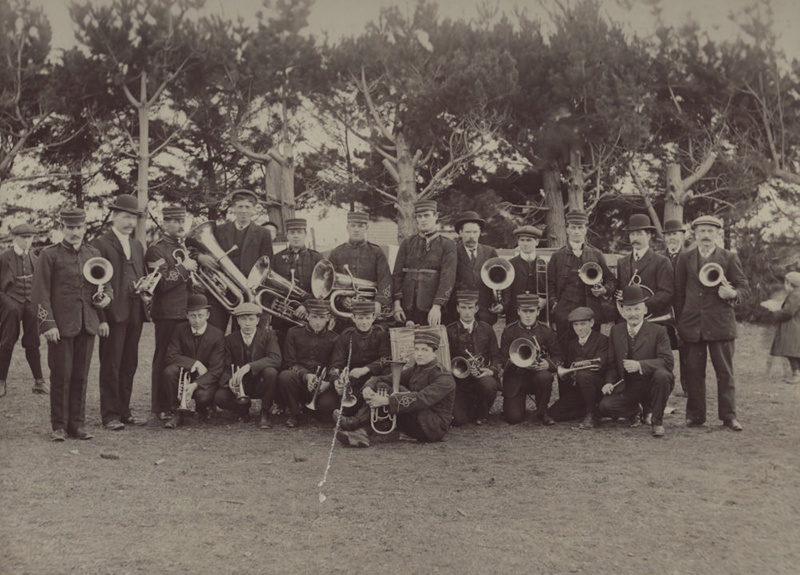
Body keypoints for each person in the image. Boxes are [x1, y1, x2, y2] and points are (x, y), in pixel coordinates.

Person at [32, 208, 112, 441]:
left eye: (79, 228)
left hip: (87, 324)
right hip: (61, 327)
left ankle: (76, 425)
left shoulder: (93, 253)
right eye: (70, 228)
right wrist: (48, 324)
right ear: (62, 228)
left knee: (80, 376)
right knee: (61, 376)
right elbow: (40, 293)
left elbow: (106, 285)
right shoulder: (50, 255)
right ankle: (58, 426)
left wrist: (107, 297)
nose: (75, 232)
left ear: (85, 228)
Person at [674, 215, 749, 431]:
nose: (705, 236)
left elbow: (744, 287)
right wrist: (681, 322)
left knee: (724, 373)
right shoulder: (684, 258)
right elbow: (679, 294)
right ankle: (695, 416)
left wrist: (732, 292)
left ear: (717, 234)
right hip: (692, 325)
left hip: (720, 325)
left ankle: (728, 416)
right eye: (701, 231)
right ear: (695, 234)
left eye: (710, 231)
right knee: (693, 372)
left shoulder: (729, 257)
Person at [339, 330, 456, 447]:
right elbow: (381, 379)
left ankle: (356, 423)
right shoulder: (416, 369)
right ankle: (361, 433)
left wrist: (386, 401)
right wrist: (367, 387)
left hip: (432, 427)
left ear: (434, 354)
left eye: (425, 350)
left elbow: (422, 399)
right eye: (417, 349)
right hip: (417, 419)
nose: (419, 354)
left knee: (397, 389)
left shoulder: (444, 377)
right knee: (382, 386)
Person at [91, 194, 148, 430]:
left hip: (135, 312)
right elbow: (95, 285)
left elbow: (137, 275)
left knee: (129, 363)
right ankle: (110, 415)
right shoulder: (99, 244)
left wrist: (144, 287)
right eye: (126, 217)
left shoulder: (137, 245)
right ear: (114, 216)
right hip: (112, 314)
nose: (130, 222)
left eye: (134, 218)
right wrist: (101, 318)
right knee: (111, 364)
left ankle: (125, 411)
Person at [598, 285, 674, 437]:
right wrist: (609, 382)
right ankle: (637, 410)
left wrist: (640, 365)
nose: (633, 314)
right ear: (623, 311)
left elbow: (667, 362)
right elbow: (613, 365)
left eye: (637, 309)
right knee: (604, 407)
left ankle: (657, 422)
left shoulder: (659, 330)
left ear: (645, 310)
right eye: (629, 309)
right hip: (628, 387)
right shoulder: (616, 331)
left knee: (663, 375)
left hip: (652, 384)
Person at [145, 205, 197, 420]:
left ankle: (179, 402)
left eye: (181, 220)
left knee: (182, 360)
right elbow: (162, 284)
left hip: (184, 312)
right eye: (174, 221)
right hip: (166, 313)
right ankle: (160, 406)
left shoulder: (181, 247)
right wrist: (185, 267)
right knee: (163, 359)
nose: (179, 225)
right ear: (165, 223)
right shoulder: (156, 250)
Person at [198, 189, 273, 332]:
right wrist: (200, 257)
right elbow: (195, 249)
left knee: (241, 336)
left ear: (253, 209)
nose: (243, 211)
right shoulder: (219, 230)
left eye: (247, 207)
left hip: (247, 293)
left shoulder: (263, 233)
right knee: (214, 332)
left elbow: (267, 265)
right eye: (240, 207)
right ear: (233, 208)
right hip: (220, 291)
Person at [547, 210, 615, 345]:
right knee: (565, 348)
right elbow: (550, 284)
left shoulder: (596, 254)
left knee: (591, 348)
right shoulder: (557, 256)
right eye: (573, 227)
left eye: (580, 227)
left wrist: (604, 290)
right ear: (567, 230)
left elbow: (611, 279)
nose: (576, 231)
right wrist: (555, 305)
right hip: (564, 313)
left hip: (590, 312)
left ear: (585, 230)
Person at [214, 302, 281, 428]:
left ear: (257, 320)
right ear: (238, 321)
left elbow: (275, 358)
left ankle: (265, 413)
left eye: (251, 319)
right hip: (241, 384)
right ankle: (242, 411)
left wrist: (249, 366)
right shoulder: (229, 339)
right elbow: (226, 366)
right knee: (220, 397)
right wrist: (229, 382)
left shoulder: (268, 336)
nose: (248, 323)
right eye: (243, 319)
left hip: (261, 383)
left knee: (271, 372)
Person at [162, 294, 225, 429]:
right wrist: (195, 364)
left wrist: (195, 384)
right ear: (187, 315)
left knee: (202, 396)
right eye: (193, 316)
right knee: (169, 371)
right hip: (186, 373)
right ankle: (177, 412)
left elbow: (216, 370)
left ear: (208, 315)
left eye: (200, 315)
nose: (197, 320)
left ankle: (203, 408)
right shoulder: (179, 329)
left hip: (205, 378)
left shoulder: (217, 335)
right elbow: (171, 355)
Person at [500, 293, 563, 425]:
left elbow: (559, 356)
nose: (528, 315)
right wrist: (518, 362)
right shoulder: (509, 331)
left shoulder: (546, 331)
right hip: (516, 378)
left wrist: (548, 364)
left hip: (537, 377)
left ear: (538, 311)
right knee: (513, 418)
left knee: (545, 377)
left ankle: (542, 411)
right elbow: (503, 360)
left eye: (532, 311)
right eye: (524, 311)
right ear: (518, 311)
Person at [328, 300, 391, 431]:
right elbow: (335, 365)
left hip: (376, 380)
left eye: (368, 318)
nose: (364, 322)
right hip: (355, 383)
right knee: (342, 406)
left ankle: (356, 422)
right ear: (353, 318)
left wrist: (366, 369)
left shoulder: (381, 334)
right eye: (360, 318)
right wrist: (336, 380)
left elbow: (387, 359)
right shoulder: (345, 337)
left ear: (374, 317)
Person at [392, 200, 457, 326]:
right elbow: (397, 275)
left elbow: (447, 278)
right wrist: (397, 304)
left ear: (436, 216)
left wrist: (437, 306)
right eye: (419, 216)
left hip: (433, 310)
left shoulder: (447, 245)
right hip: (406, 310)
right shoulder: (407, 243)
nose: (423, 220)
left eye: (427, 215)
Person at [0, 223, 46, 397]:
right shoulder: (4, 258)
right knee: (6, 342)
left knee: (33, 342)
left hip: (30, 305)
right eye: (23, 237)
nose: (27, 241)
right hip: (11, 304)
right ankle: (1, 381)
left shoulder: (35, 258)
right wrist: (7, 302)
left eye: (30, 237)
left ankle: (39, 382)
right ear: (15, 238)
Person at [277, 299, 339, 428]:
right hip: (299, 382)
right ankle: (295, 413)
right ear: (307, 316)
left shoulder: (335, 338)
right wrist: (306, 376)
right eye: (314, 317)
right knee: (285, 376)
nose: (317, 322)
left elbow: (336, 366)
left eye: (322, 317)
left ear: (328, 318)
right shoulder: (293, 333)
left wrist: (327, 383)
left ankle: (311, 409)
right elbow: (289, 363)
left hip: (321, 385)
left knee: (328, 406)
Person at [446, 290, 501, 426]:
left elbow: (496, 356)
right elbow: (446, 359)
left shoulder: (486, 329)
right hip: (460, 381)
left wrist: (491, 371)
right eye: (463, 308)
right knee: (459, 421)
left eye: (470, 307)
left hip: (481, 376)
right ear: (458, 308)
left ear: (476, 309)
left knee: (489, 385)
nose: (467, 312)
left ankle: (483, 413)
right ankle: (470, 408)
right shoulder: (449, 330)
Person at [547, 307, 609, 429]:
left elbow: (600, 366)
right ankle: (592, 411)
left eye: (583, 324)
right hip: (580, 389)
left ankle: (591, 414)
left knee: (583, 375)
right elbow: (570, 367)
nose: (579, 328)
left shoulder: (602, 340)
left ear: (591, 323)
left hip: (598, 387)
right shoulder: (572, 344)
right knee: (554, 413)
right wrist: (571, 374)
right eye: (576, 325)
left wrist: (579, 365)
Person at [327, 211, 392, 322]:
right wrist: (341, 299)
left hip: (369, 311)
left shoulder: (376, 252)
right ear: (347, 227)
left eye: (360, 226)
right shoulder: (336, 253)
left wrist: (379, 301)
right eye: (353, 226)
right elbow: (327, 282)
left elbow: (385, 279)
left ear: (367, 227)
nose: (356, 229)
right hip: (343, 312)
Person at [614, 214, 674, 319]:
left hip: (652, 318)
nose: (635, 238)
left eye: (639, 234)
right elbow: (621, 290)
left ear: (648, 235)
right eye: (632, 234)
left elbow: (666, 294)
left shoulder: (662, 261)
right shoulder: (622, 262)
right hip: (628, 320)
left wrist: (641, 308)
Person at [269, 217, 323, 332]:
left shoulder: (316, 258)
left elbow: (322, 290)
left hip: (309, 316)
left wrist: (306, 305)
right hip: (281, 317)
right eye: (292, 232)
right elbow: (269, 286)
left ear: (305, 234)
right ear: (287, 235)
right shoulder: (277, 258)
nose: (296, 236)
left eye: (299, 232)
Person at [450, 211, 503, 325]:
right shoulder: (452, 252)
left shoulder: (490, 252)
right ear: (460, 233)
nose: (471, 236)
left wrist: (501, 302)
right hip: (459, 311)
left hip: (485, 311)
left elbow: (501, 280)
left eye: (475, 232)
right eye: (468, 232)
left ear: (480, 233)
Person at [502, 225, 548, 327]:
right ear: (518, 242)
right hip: (515, 315)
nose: (525, 244)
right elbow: (507, 292)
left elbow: (549, 288)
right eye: (522, 240)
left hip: (539, 314)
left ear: (536, 242)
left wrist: (545, 300)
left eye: (529, 240)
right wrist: (502, 306)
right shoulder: (510, 264)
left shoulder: (544, 264)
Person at [769, 271, 800, 384]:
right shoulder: (797, 293)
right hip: (796, 325)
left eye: (786, 282)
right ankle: (797, 373)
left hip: (792, 327)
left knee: (790, 351)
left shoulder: (796, 294)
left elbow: (788, 312)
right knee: (794, 351)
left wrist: (775, 313)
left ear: (790, 283)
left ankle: (796, 374)